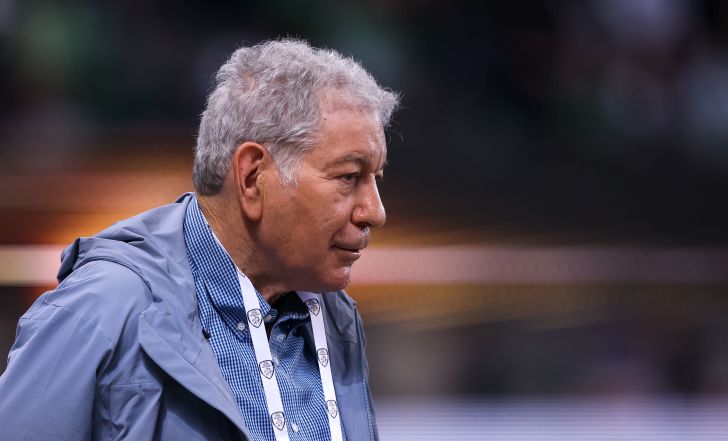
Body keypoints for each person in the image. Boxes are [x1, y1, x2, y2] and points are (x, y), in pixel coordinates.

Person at [0, 39, 399, 441]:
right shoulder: (101, 309)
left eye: (375, 180)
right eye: (349, 177)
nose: (375, 212)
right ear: (252, 177)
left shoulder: (332, 315)